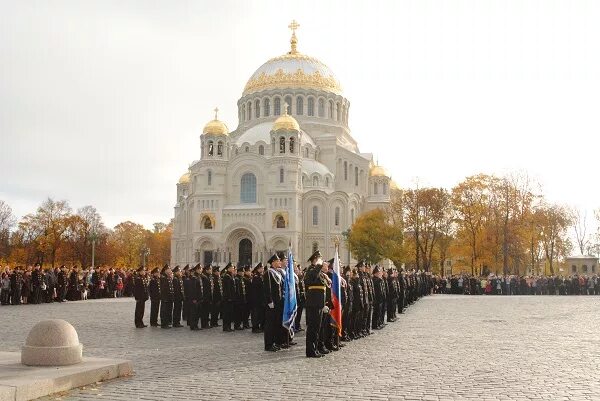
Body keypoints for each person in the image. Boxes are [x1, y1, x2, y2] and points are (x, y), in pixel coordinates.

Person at [304, 250, 327, 358]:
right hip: (313, 303)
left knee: (318, 327)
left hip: (319, 303)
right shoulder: (311, 270)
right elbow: (310, 279)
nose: (321, 261)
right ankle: (310, 351)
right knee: (313, 328)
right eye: (319, 259)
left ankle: (316, 348)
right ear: (315, 260)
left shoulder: (319, 272)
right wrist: (318, 266)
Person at [263, 253, 283, 352]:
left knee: (276, 324)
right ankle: (268, 344)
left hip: (278, 302)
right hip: (272, 303)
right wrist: (270, 301)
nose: (280, 262)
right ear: (273, 262)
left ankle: (274, 342)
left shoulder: (277, 272)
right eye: (278, 261)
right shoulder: (268, 273)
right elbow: (268, 288)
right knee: (270, 325)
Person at [221, 263, 236, 332]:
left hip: (230, 298)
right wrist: (229, 297)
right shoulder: (226, 276)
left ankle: (228, 326)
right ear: (229, 268)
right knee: (226, 313)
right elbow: (227, 289)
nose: (233, 269)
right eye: (232, 268)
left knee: (229, 313)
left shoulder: (230, 276)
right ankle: (226, 327)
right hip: (227, 298)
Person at [251, 262, 265, 333]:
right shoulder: (256, 277)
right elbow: (255, 290)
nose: (262, 269)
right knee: (256, 314)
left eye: (262, 268)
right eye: (261, 268)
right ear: (258, 269)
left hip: (261, 299)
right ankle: (255, 327)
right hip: (256, 299)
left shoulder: (261, 276)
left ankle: (261, 326)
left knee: (261, 314)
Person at [200, 265, 213, 329]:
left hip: (208, 297)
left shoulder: (208, 276)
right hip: (205, 297)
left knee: (207, 311)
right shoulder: (204, 277)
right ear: (206, 270)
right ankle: (204, 324)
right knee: (204, 312)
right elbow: (204, 289)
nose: (211, 270)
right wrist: (205, 298)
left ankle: (206, 323)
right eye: (210, 269)